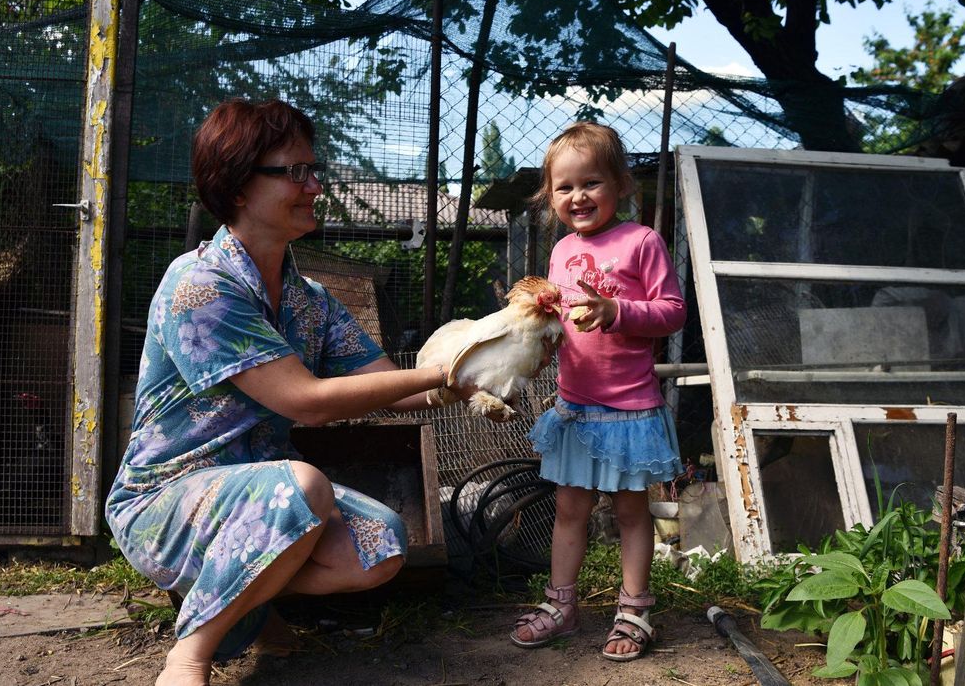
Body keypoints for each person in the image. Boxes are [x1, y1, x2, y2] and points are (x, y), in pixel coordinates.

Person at [104, 98, 467, 686]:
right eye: (295, 172)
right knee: (304, 486)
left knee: (381, 547)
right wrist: (440, 374)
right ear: (239, 186)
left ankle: (249, 606)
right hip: (165, 501)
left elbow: (386, 386)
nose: (316, 186)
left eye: (313, 170)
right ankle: (189, 655)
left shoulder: (310, 299)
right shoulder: (200, 286)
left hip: (260, 499)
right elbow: (307, 401)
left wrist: (480, 369)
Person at [510, 121, 686, 662]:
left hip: (628, 408)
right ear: (550, 195)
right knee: (569, 509)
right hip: (574, 406)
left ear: (621, 184)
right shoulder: (562, 250)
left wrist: (619, 310)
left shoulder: (642, 241)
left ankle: (634, 608)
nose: (577, 196)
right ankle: (561, 605)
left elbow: (673, 313)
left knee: (632, 513)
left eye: (591, 183)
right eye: (564, 187)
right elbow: (564, 321)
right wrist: (538, 333)